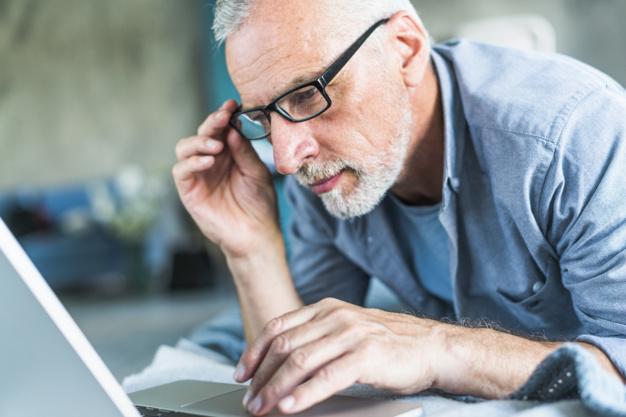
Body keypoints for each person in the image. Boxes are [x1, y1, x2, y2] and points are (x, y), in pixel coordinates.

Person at [172, 0, 626, 415]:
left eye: (307, 94)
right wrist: (251, 248)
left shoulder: (575, 136)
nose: (287, 159)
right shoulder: (325, 169)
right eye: (265, 117)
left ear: (405, 50)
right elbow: (305, 367)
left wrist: (437, 347)